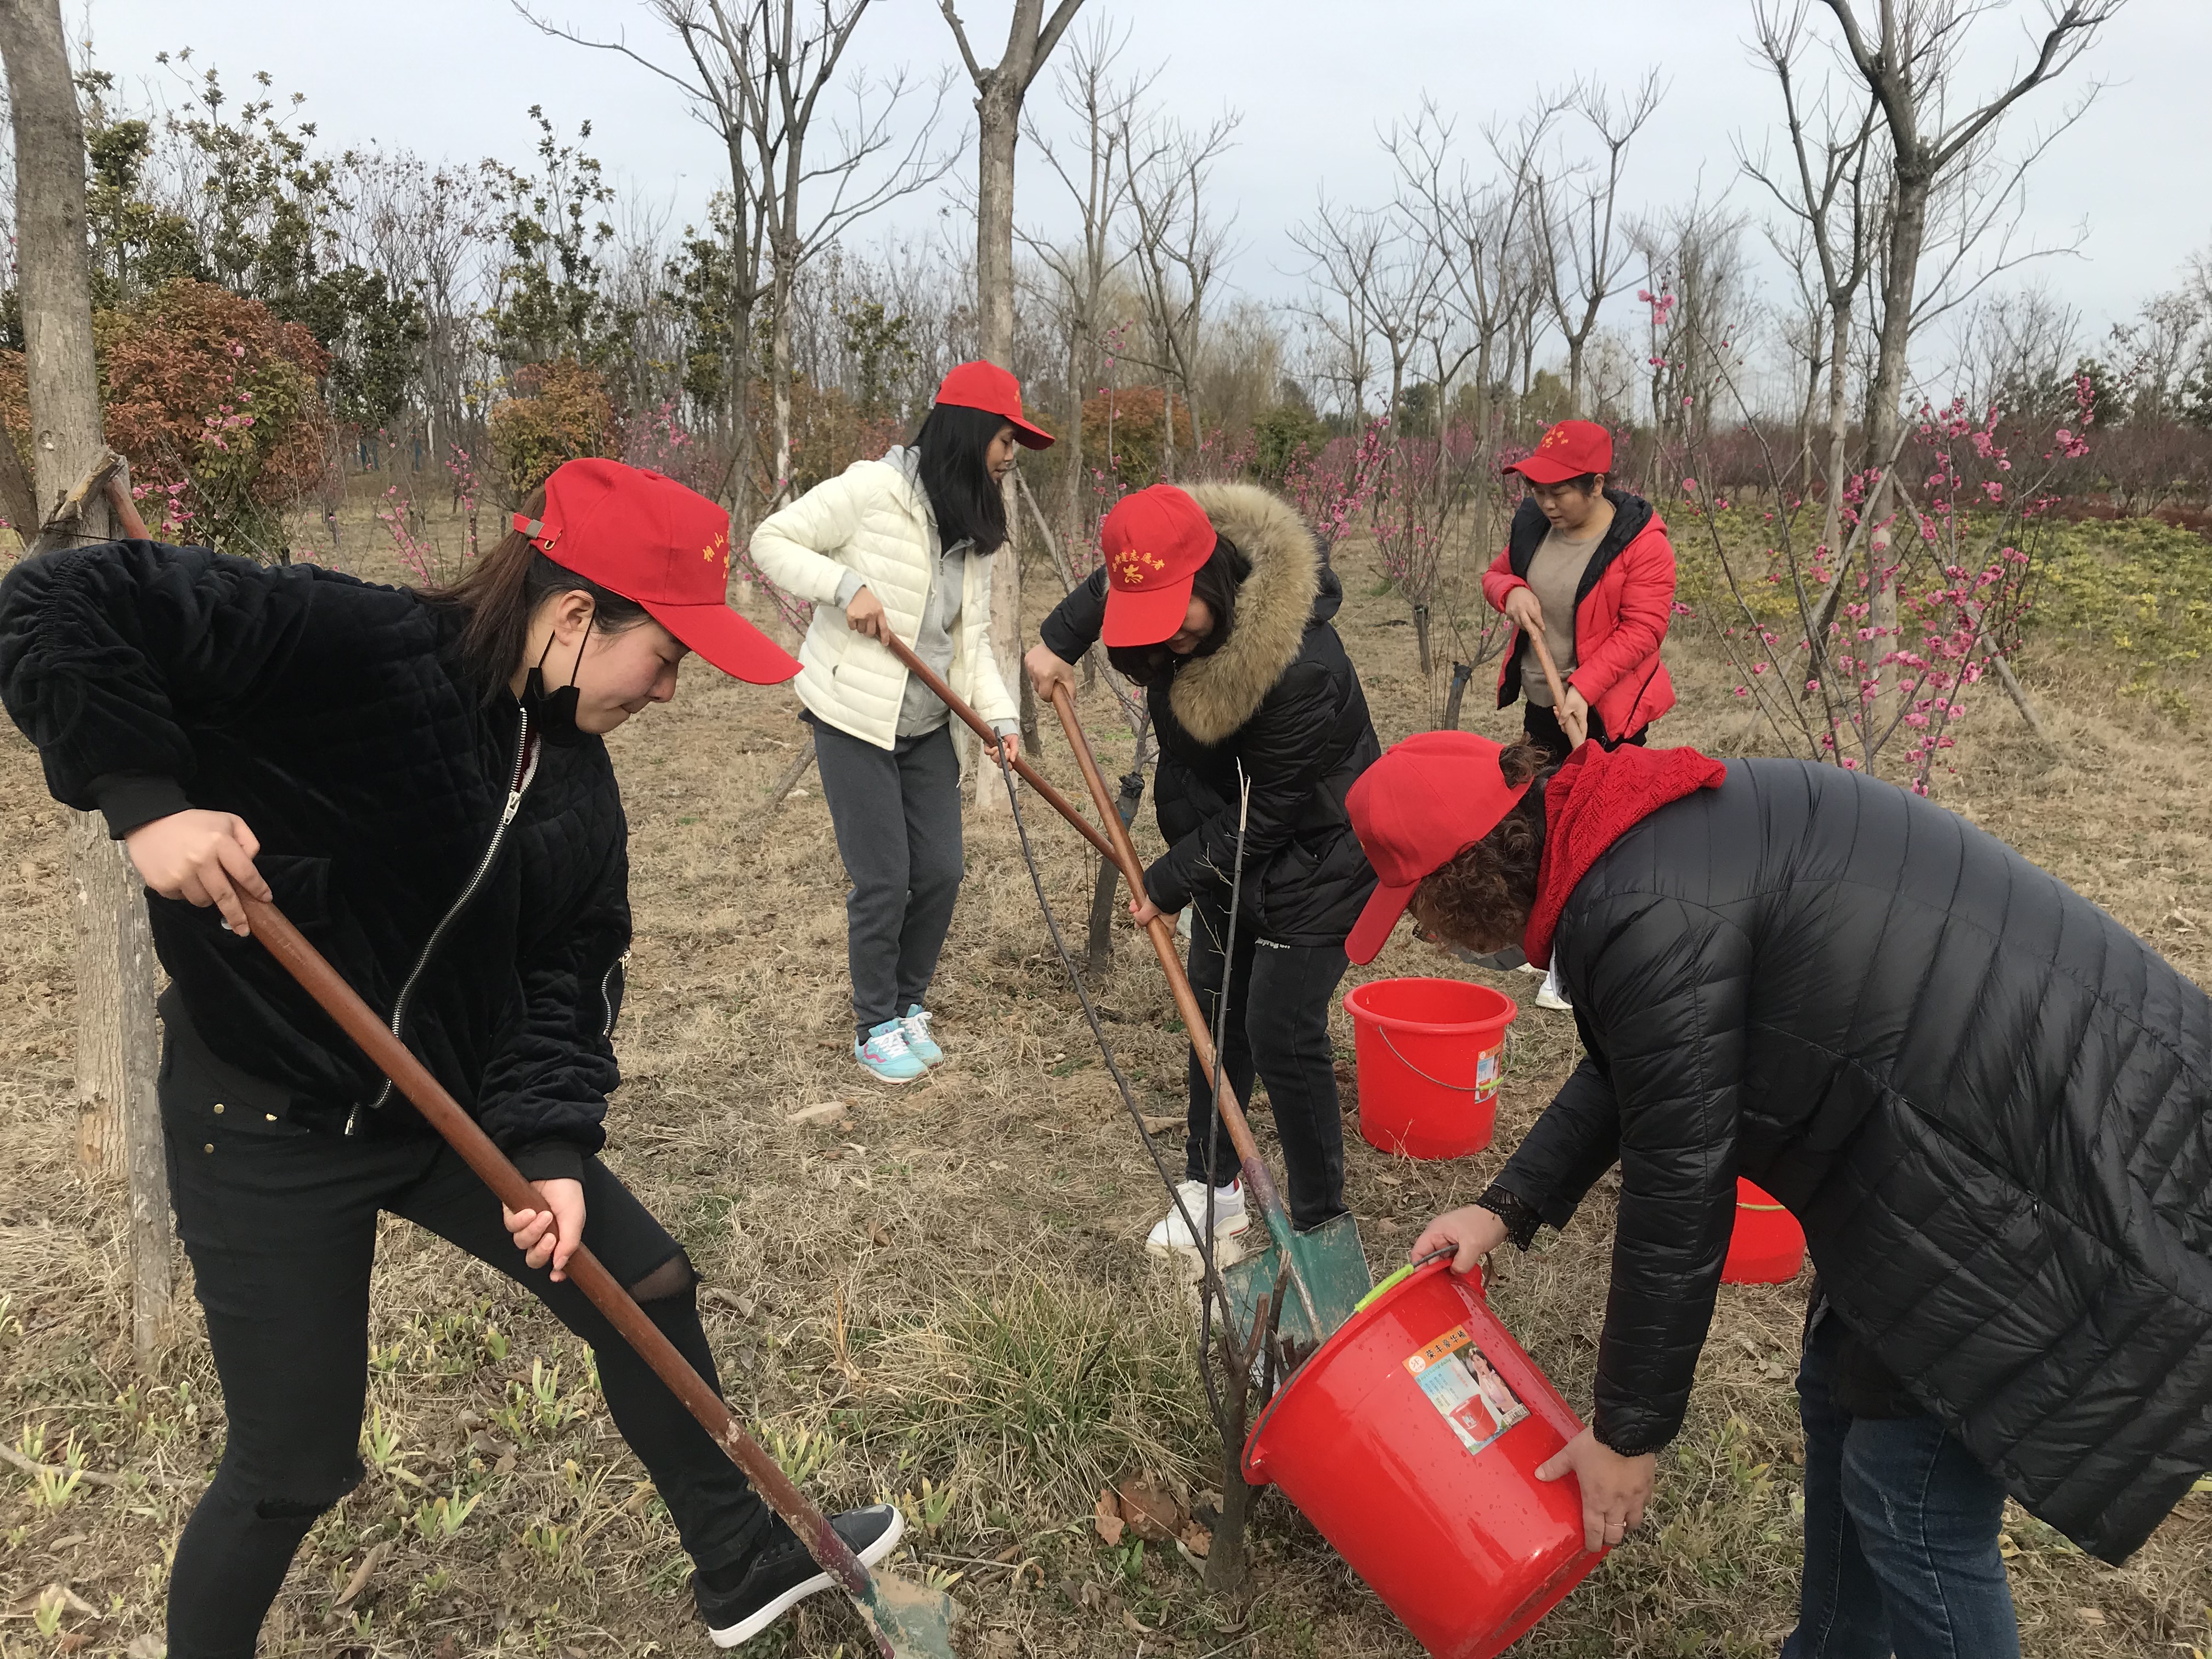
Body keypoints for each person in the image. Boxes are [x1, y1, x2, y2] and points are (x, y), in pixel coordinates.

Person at [0, 460, 907, 1655]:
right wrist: (145, 801)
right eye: (666, 655)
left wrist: (552, 1148)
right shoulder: (354, 644)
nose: (670, 690)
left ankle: (740, 1556)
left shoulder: (577, 789)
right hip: (267, 1121)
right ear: (575, 617)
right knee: (292, 1464)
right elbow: (53, 601)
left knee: (643, 1281)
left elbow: (566, 975)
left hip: (444, 1111)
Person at [1341, 730, 2212, 1659]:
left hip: (2053, 1169)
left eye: (1419, 913)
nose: (1432, 938)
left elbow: (1679, 1188)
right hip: (1978, 1129)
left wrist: (1627, 1435)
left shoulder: (1644, 904)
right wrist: (1505, 1205)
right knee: (1838, 1391)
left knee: (1910, 1496)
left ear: (1466, 878)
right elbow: (1648, 1054)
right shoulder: (1630, 839)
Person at [1025, 482, 1380, 1253]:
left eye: (1175, 615)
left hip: (1319, 852)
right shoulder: (1164, 578)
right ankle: (1214, 1186)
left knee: (1279, 1029)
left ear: (1212, 572)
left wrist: (1165, 882)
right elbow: (1115, 581)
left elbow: (1270, 812)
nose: (1165, 638)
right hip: (1221, 839)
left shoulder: (1302, 666)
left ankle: (1320, 1223)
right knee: (1215, 1010)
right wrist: (1058, 640)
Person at [749, 360, 1048, 1083]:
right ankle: (874, 1022)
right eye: (1006, 440)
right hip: (855, 718)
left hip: (927, 725)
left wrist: (1001, 718)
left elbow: (971, 640)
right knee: (884, 879)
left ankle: (908, 1002)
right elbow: (770, 541)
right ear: (970, 432)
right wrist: (845, 585)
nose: (1010, 456)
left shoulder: (970, 524)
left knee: (941, 871)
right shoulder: (872, 490)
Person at [1482, 419, 1677, 1012]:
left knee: (1598, 832)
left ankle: (1584, 956)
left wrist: (1585, 688)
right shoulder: (1534, 526)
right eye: (1536, 489)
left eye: (1560, 491)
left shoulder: (1640, 541)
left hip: (1606, 712)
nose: (1546, 503)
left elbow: (1645, 628)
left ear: (1597, 485)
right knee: (1542, 819)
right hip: (1544, 701)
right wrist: (1510, 591)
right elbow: (1498, 573)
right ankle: (1547, 941)